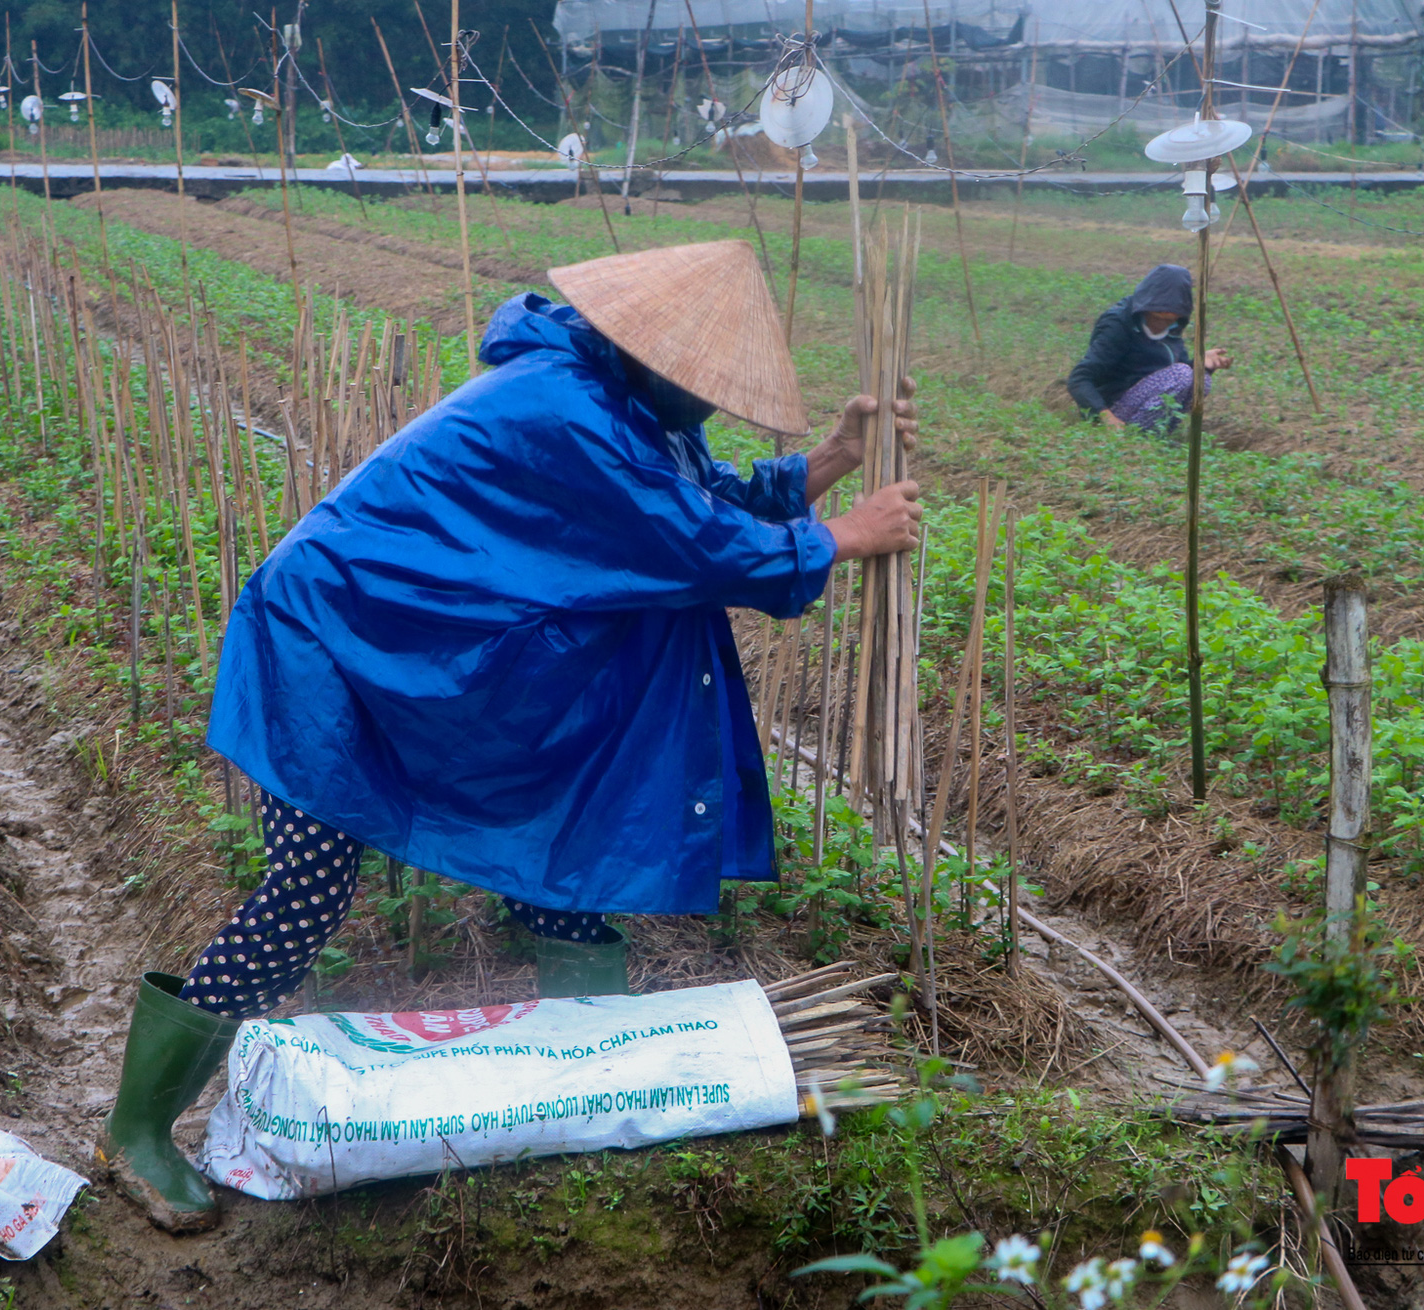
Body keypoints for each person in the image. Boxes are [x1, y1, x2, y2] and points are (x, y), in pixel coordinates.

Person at [98, 239, 923, 1233]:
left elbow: (693, 497)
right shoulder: (565, 408)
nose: (705, 410)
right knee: (308, 887)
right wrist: (840, 533)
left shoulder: (618, 397)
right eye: (698, 390)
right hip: (330, 639)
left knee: (562, 865)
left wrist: (827, 464)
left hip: (422, 651)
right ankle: (138, 1128)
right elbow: (692, 542)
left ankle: (585, 1096)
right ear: (645, 351)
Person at [1065, 264, 1231, 433]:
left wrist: (1201, 362)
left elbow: (1171, 374)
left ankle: (1155, 435)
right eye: (1157, 318)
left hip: (1144, 399)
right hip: (1113, 404)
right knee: (1182, 374)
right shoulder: (1118, 324)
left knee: (1201, 380)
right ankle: (1136, 436)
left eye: (1169, 320)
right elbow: (1079, 379)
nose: (1161, 325)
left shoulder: (1173, 327)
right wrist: (1107, 418)